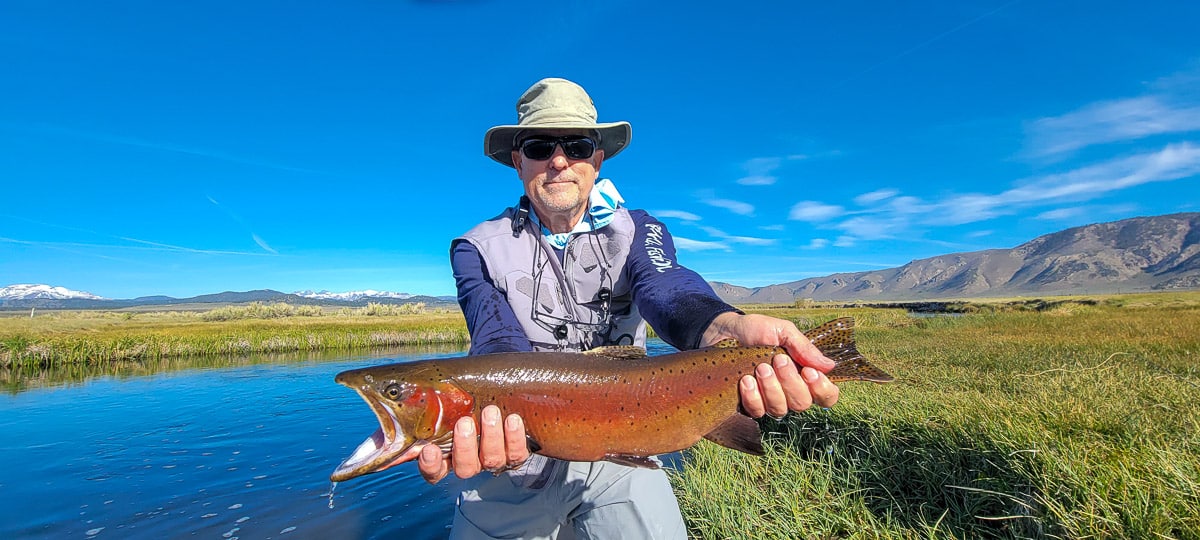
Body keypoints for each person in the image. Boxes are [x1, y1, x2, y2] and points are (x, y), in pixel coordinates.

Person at [419, 78, 841, 540]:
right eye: (540, 147)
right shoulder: (475, 248)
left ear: (597, 160)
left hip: (630, 441)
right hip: (513, 451)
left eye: (577, 146)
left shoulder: (640, 229)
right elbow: (497, 340)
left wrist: (725, 324)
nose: (559, 161)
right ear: (518, 161)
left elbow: (669, 291)